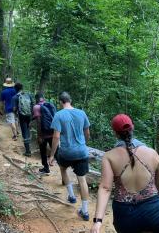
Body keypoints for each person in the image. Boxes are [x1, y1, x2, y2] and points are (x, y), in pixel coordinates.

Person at [90, 114, 159, 233]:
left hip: (126, 216)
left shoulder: (109, 157)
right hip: (154, 212)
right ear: (132, 128)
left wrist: (98, 221)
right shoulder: (152, 153)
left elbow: (105, 188)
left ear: (115, 133)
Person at [48, 92, 91, 221]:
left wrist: (51, 155)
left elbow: (56, 137)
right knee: (82, 179)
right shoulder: (81, 113)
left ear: (61, 102)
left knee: (63, 169)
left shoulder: (59, 115)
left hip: (66, 152)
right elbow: (87, 132)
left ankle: (71, 196)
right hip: (82, 151)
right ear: (70, 100)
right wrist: (83, 144)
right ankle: (85, 211)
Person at [33, 92, 56, 175]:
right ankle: (63, 169)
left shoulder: (36, 107)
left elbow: (38, 122)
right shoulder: (50, 105)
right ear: (43, 98)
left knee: (43, 151)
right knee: (56, 152)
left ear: (36, 99)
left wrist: (39, 135)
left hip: (44, 134)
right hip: (53, 132)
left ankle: (46, 168)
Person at [12, 82, 34, 156]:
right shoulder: (29, 95)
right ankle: (29, 147)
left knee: (24, 132)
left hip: (22, 116)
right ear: (22, 88)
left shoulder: (15, 97)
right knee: (28, 130)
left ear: (15, 89)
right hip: (29, 115)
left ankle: (28, 151)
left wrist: (15, 113)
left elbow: (14, 109)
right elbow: (33, 104)